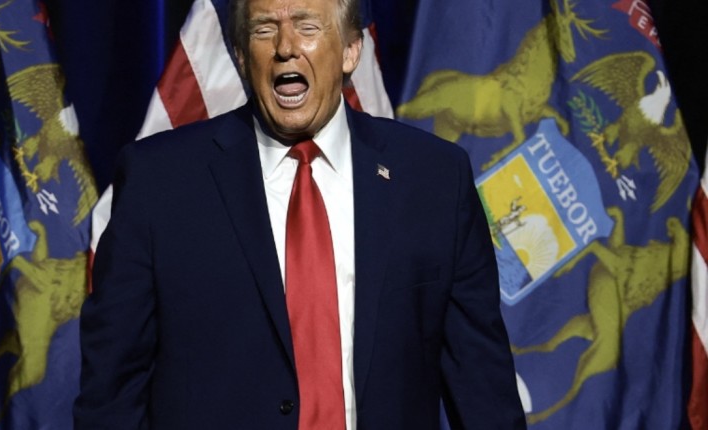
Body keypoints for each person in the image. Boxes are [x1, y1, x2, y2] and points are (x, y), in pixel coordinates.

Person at [74, 0, 526, 428]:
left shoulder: (433, 179)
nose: (286, 46)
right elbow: (112, 390)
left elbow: (482, 387)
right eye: (264, 29)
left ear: (351, 50)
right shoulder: (160, 182)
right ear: (240, 56)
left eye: (307, 26)